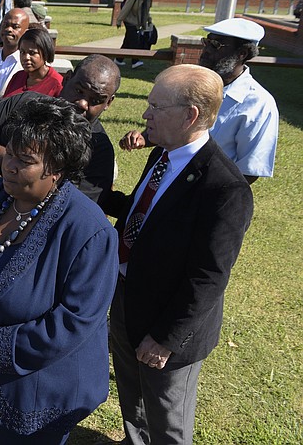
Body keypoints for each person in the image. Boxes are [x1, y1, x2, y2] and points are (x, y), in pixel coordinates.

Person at [0, 97, 119, 443]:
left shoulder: (88, 231)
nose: (9, 165)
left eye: (25, 160)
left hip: (32, 392)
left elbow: (73, 324)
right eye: (10, 153)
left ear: (57, 170)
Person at [107, 64, 253, 444]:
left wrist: (166, 338)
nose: (144, 114)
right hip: (125, 298)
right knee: (132, 399)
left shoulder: (225, 188)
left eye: (156, 106)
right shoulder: (164, 154)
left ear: (190, 116)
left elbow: (208, 276)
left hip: (166, 325)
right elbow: (144, 212)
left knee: (167, 416)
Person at [119, 18, 279, 184]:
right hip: (161, 178)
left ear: (242, 54)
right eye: (207, 42)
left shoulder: (259, 104)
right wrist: (146, 138)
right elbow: (174, 127)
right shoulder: (189, 84)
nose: (206, 50)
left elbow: (249, 170)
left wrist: (206, 195)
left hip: (203, 194)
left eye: (216, 45)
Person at [0, 54, 121, 204]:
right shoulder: (24, 103)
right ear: (67, 79)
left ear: (109, 103)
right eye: (78, 90)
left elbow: (72, 207)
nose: (83, 103)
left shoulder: (99, 149)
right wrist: (10, 160)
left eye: (96, 100)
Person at [2, 27, 63, 98]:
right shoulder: (17, 77)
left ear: (45, 53)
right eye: (22, 52)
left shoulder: (57, 84)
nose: (26, 57)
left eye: (32, 53)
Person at [0, 8, 27, 100]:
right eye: (5, 25)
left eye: (15, 26)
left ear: (25, 32)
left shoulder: (26, 64)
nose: (9, 29)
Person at [115, 0, 153, 69]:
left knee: (127, 42)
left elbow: (146, 11)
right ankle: (135, 61)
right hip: (129, 21)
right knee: (134, 41)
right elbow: (126, 8)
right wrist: (119, 20)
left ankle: (118, 59)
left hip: (137, 22)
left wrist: (149, 20)